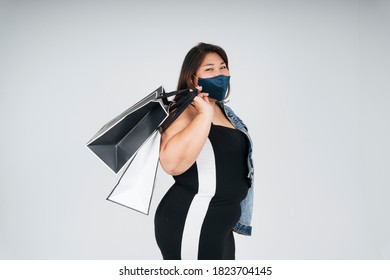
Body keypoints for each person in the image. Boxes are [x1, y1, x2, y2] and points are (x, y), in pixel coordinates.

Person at [154, 42, 254, 260]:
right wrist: (204, 115)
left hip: (221, 224)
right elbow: (171, 163)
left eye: (223, 66)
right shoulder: (183, 111)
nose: (220, 73)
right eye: (209, 69)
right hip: (193, 218)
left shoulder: (224, 111)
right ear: (192, 78)